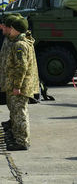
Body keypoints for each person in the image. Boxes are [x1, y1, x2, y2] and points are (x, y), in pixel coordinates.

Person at [4, 16, 39, 151]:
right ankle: (19, 138)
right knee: (17, 113)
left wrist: (17, 86)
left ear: (17, 30)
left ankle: (22, 141)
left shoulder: (19, 45)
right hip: (18, 85)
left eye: (12, 28)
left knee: (20, 114)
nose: (10, 30)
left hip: (20, 86)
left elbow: (21, 67)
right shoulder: (21, 42)